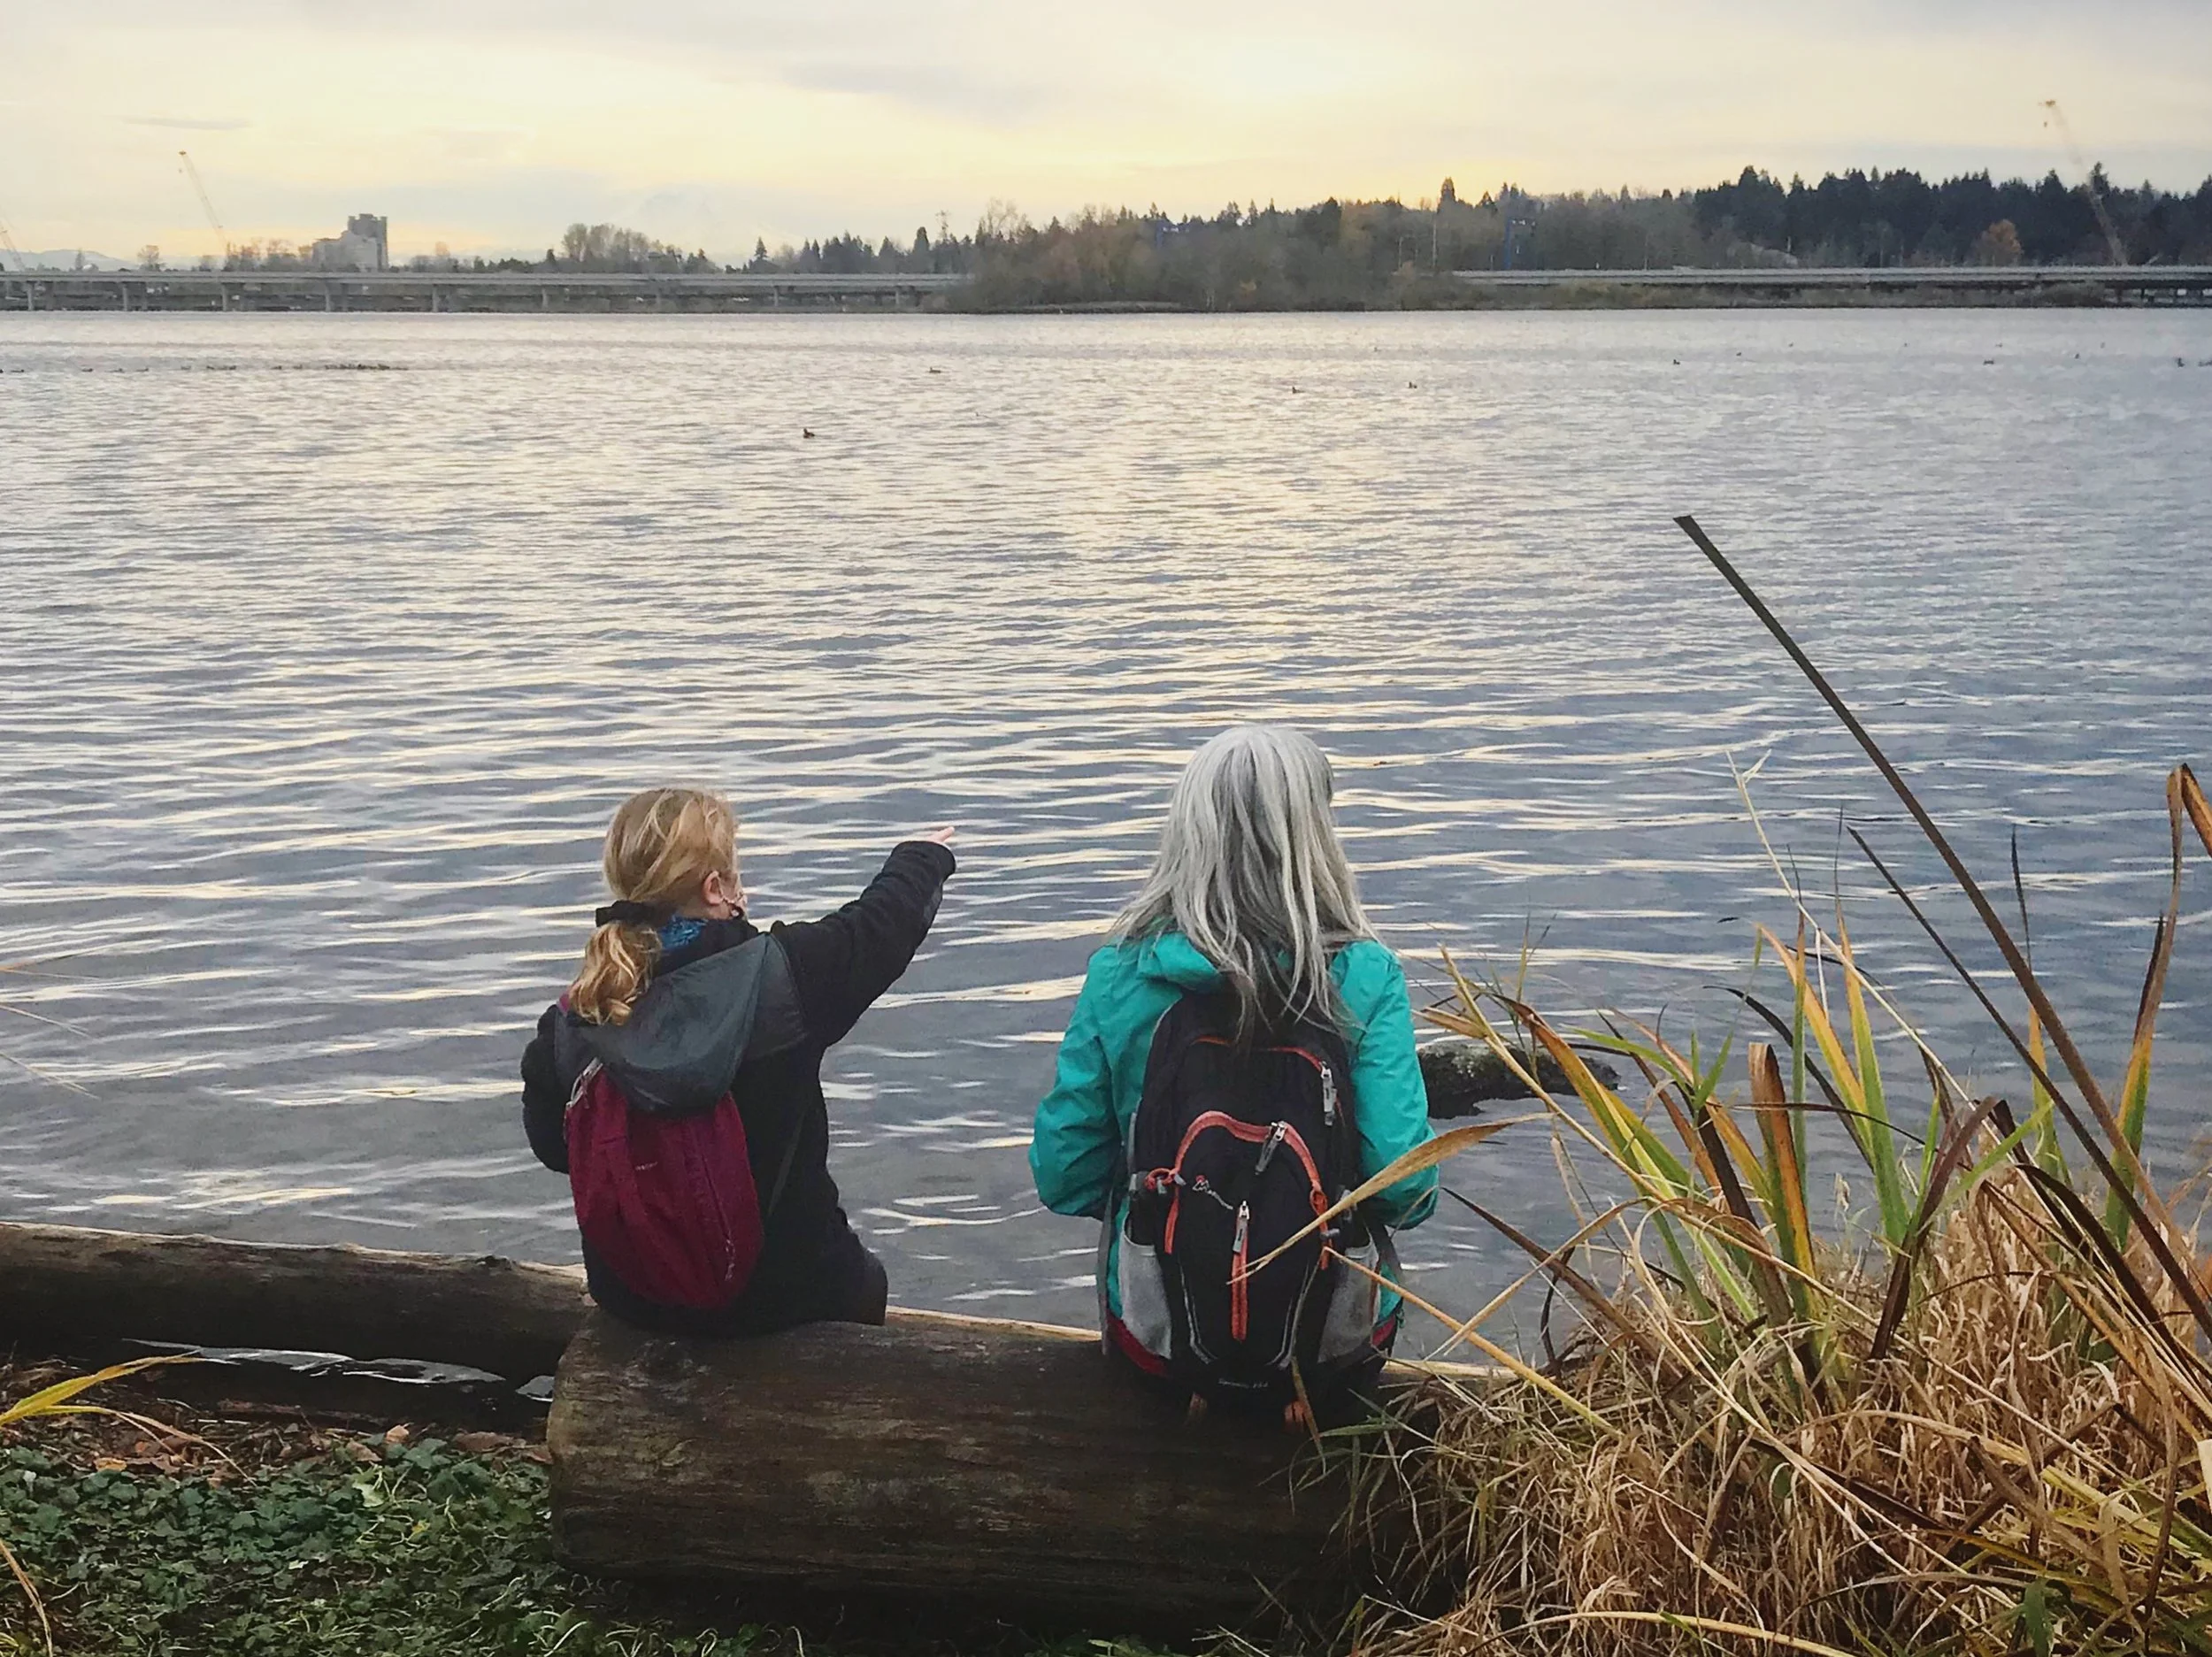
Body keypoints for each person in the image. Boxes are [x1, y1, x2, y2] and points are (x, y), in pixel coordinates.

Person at [1029, 725, 1436, 1426]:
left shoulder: (1122, 973)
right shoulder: (1364, 976)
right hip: (1330, 1362)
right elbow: (1403, 1187)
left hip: (1156, 1350)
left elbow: (1064, 1173)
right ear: (1315, 837)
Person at [522, 786, 956, 1337]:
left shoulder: (574, 1019)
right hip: (791, 1297)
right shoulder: (786, 978)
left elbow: (556, 1149)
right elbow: (879, 926)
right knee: (867, 1282)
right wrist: (921, 856)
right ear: (714, 888)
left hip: (637, 1299)